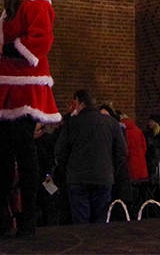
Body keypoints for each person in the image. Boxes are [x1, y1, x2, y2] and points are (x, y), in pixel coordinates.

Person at [0, 0, 61, 239]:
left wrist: (3, 50)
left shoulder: (36, 3)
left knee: (24, 151)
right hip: (3, 85)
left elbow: (40, 41)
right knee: (4, 154)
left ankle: (28, 218)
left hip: (25, 86)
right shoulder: (9, 10)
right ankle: (1, 218)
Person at [54, 89, 127, 224]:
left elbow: (60, 152)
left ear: (81, 104)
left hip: (77, 179)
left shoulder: (71, 124)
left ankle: (83, 244)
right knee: (100, 219)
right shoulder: (111, 123)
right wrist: (111, 169)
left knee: (81, 220)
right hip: (103, 177)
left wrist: (68, 170)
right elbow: (121, 151)